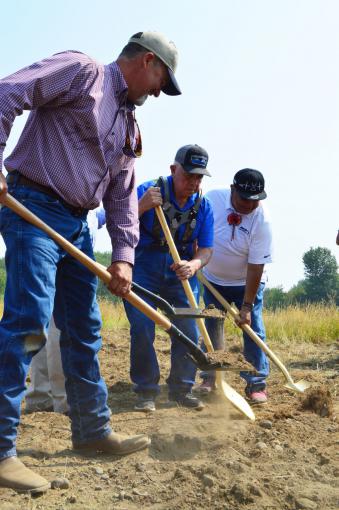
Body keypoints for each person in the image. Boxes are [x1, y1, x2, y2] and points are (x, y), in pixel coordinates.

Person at [0, 30, 181, 493]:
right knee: (28, 322)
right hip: (33, 208)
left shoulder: (129, 125)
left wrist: (124, 257)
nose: (160, 91)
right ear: (147, 62)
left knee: (84, 330)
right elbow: (9, 91)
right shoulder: (82, 73)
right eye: (162, 79)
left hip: (79, 225)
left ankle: (92, 430)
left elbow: (121, 198)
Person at [123, 144, 214, 413]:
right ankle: (146, 392)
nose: (193, 182)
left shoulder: (203, 205)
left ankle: (182, 389)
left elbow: (207, 249)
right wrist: (141, 207)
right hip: (144, 266)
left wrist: (195, 264)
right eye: (188, 176)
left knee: (188, 331)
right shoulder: (147, 191)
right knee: (142, 328)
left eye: (199, 177)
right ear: (173, 170)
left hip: (181, 271)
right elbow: (122, 223)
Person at [198, 169, 272, 405]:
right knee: (212, 328)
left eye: (255, 200)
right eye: (244, 199)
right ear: (232, 190)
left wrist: (247, 306)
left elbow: (255, 265)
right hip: (211, 280)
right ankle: (210, 378)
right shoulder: (211, 200)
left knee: (253, 331)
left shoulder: (262, 220)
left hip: (246, 284)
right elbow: (196, 233)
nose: (250, 206)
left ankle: (256, 383)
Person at [25, 207, 106, 415]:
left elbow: (107, 215)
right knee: (58, 333)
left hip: (43, 258)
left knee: (39, 327)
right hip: (63, 268)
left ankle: (39, 396)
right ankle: (63, 400)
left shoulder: (94, 213)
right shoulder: (80, 208)